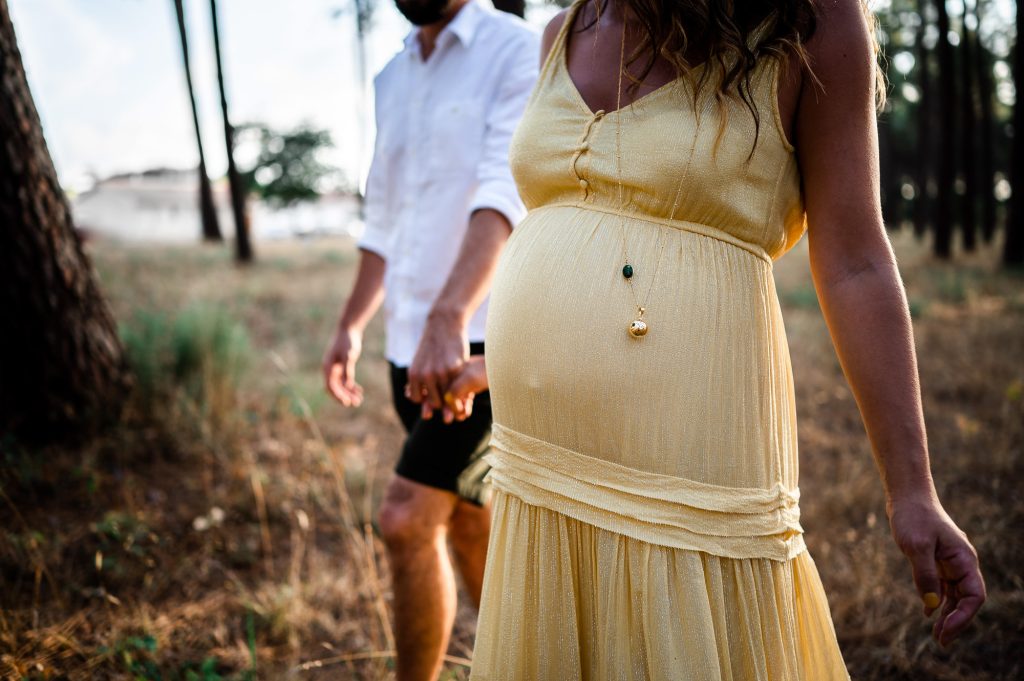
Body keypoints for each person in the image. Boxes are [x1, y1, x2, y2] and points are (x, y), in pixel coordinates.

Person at [423, 0, 985, 677]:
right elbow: (571, 216)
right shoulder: (562, 30)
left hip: (692, 461)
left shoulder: (809, 21)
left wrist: (913, 490)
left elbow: (856, 262)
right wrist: (513, 359)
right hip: (538, 472)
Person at [320, 1, 537, 679]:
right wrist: (351, 324)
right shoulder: (390, 76)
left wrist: (451, 319)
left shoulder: (519, 49)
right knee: (468, 520)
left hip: (476, 350)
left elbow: (509, 193)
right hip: (404, 351)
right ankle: (521, 664)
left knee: (405, 517)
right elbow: (383, 219)